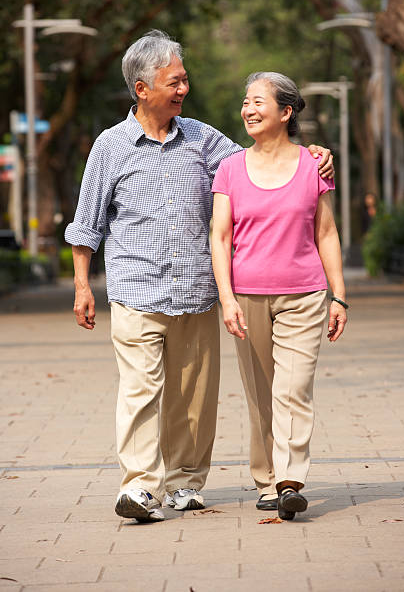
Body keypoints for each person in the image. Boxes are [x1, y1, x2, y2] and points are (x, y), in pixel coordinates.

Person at [65, 32, 334, 524]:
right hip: (135, 290)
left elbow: (261, 161)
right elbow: (88, 222)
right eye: (175, 81)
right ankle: (141, 487)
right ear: (142, 88)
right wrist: (83, 284)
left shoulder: (204, 139)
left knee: (193, 397)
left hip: (196, 291)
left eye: (184, 79)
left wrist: (311, 154)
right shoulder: (110, 146)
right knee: (139, 391)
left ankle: (185, 482)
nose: (184, 88)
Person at [211, 72, 347, 521]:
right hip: (247, 296)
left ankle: (290, 480)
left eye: (257, 102)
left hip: (304, 295)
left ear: (285, 112)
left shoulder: (313, 165)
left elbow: (325, 232)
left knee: (293, 389)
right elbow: (221, 236)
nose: (248, 110)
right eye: (245, 102)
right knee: (260, 394)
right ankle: (266, 478)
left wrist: (338, 296)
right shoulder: (230, 167)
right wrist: (226, 298)